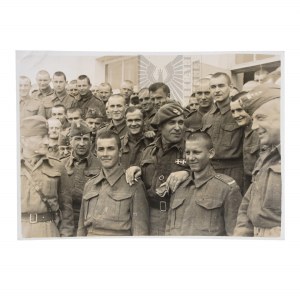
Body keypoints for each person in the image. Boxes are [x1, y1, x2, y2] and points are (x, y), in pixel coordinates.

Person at [127, 103, 188, 235]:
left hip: (182, 216)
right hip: (152, 216)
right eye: (172, 123)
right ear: (160, 127)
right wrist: (137, 170)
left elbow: (208, 176)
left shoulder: (191, 150)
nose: (178, 128)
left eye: (181, 122)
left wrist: (188, 173)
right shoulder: (149, 151)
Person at [165, 132, 242, 236]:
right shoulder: (179, 186)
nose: (191, 158)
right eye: (187, 153)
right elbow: (169, 230)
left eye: (196, 152)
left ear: (211, 153)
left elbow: (235, 234)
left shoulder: (226, 188)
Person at [77, 131, 149, 236]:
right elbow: (81, 229)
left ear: (120, 152)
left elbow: (140, 232)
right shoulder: (89, 185)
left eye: (110, 149)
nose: (105, 154)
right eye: (101, 149)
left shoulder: (134, 185)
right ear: (96, 153)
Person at [234, 83, 281, 237]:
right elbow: (249, 203)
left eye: (260, 118)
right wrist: (241, 232)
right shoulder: (266, 156)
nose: (254, 126)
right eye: (253, 119)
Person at [20, 115, 74, 238]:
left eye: (47, 136)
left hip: (48, 230)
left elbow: (66, 208)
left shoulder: (57, 166)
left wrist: (66, 236)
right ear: (24, 140)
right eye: (41, 137)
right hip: (19, 230)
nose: (47, 141)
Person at [201, 72, 244, 191]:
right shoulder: (207, 116)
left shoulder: (238, 112)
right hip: (211, 169)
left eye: (221, 86)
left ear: (230, 87)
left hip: (234, 170)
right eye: (213, 87)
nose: (217, 90)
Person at [61, 120, 101, 235]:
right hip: (66, 222)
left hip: (91, 222)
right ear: (70, 141)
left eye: (86, 139)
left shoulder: (101, 164)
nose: (82, 144)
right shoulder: (61, 164)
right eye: (78, 139)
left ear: (91, 141)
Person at [230, 92, 261, 193]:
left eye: (239, 110)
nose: (236, 115)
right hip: (248, 184)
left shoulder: (259, 132)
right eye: (233, 111)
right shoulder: (243, 131)